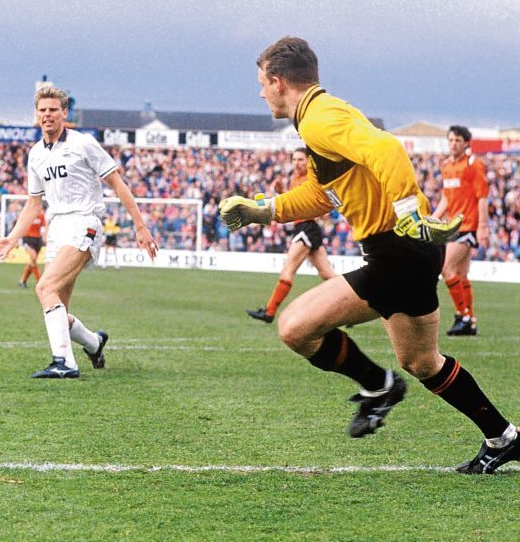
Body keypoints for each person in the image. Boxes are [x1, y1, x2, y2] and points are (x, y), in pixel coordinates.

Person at [219, 36, 517, 473]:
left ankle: (378, 387)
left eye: (261, 83)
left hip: (397, 249)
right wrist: (265, 210)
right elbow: (320, 195)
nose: (259, 92)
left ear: (279, 82)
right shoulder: (319, 117)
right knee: (422, 361)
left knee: (295, 326)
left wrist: (407, 210)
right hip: (409, 250)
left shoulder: (320, 119)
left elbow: (388, 149)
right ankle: (504, 436)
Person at [0, 86, 158, 379]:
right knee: (58, 310)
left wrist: (140, 227)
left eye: (53, 110)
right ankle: (94, 343)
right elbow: (33, 203)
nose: (47, 115)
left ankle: (64, 363)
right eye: (42, 110)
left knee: (44, 288)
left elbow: (117, 184)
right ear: (36, 114)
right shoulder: (36, 154)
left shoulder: (83, 144)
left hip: (84, 222)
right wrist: (13, 236)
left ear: (64, 113)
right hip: (57, 228)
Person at [246, 148, 337, 323]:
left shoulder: (311, 177)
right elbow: (294, 204)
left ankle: (269, 312)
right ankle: (359, 299)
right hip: (305, 227)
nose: (297, 163)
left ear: (308, 161)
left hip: (307, 226)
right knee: (327, 273)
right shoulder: (294, 179)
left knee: (288, 269)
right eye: (294, 159)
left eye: (301, 159)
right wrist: (282, 193)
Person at [431, 126, 489, 336]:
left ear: (466, 143)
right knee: (461, 274)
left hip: (468, 225)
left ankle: (462, 316)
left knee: (447, 270)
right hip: (453, 225)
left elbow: (482, 197)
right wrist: (434, 218)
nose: (454, 144)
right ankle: (469, 321)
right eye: (451, 140)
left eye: (458, 140)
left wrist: (483, 227)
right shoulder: (446, 166)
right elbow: (447, 197)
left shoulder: (474, 165)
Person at [18, 208, 45, 288]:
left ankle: (23, 280)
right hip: (27, 238)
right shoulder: (27, 214)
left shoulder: (41, 215)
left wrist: (44, 237)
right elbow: (20, 226)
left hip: (37, 239)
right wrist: (18, 239)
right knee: (33, 257)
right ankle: (39, 282)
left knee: (33, 261)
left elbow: (43, 226)